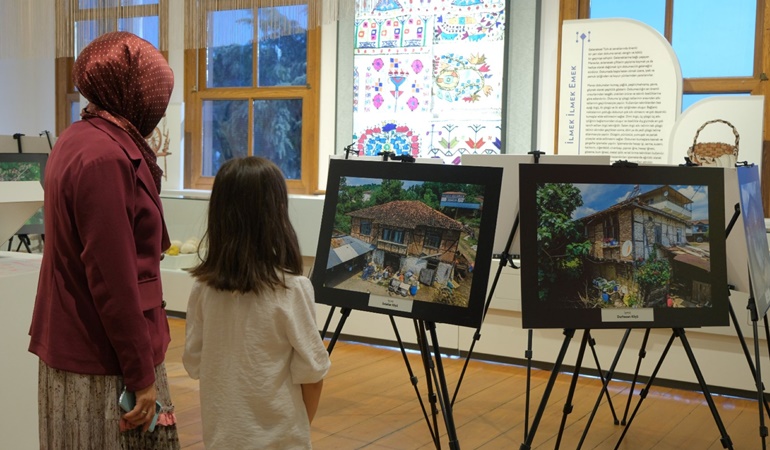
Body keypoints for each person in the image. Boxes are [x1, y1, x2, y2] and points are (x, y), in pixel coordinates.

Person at [27, 32, 179, 449]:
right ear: (130, 92)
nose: (157, 112)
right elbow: (112, 279)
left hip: (82, 343)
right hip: (104, 357)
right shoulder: (106, 156)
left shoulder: (77, 138)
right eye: (156, 99)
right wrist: (141, 373)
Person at [183, 156, 331, 449]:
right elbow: (313, 375)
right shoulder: (293, 289)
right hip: (281, 441)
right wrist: (298, 431)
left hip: (221, 439)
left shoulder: (203, 290)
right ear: (277, 214)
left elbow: (194, 362)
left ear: (218, 214)